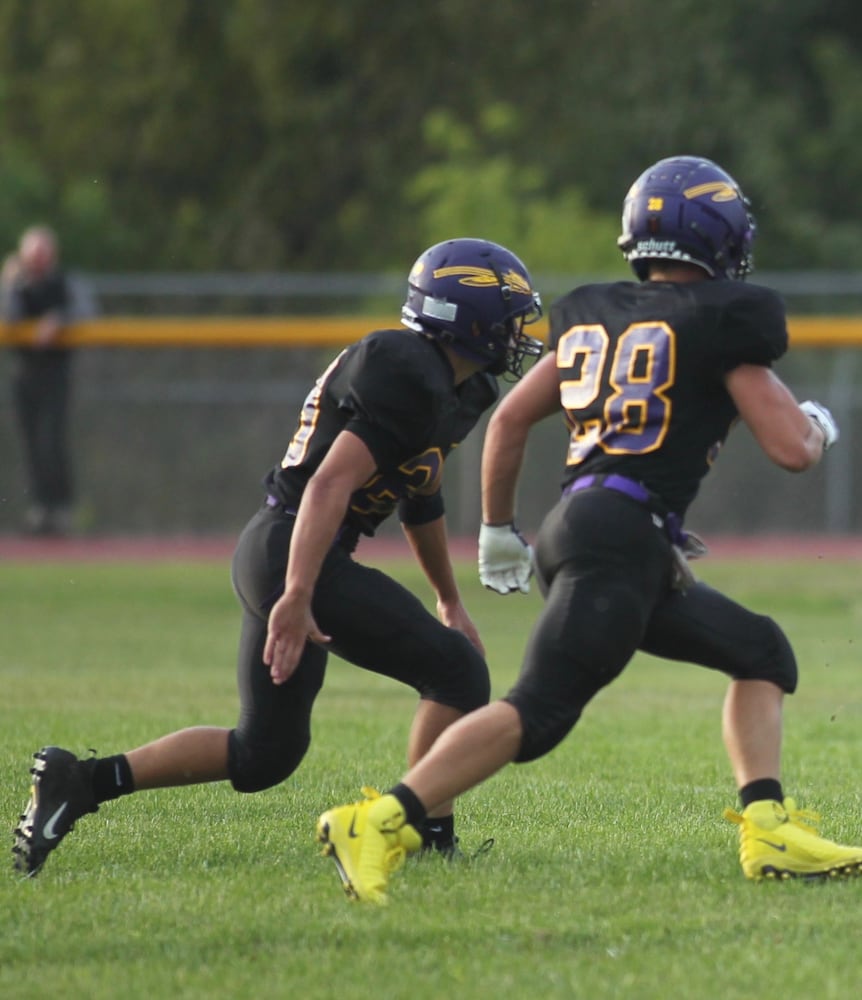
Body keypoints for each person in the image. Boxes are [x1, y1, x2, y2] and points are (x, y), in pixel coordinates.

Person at [311, 156, 862, 906]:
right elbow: (793, 450)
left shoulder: (592, 312)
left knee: (758, 649)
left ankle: (766, 826)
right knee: (536, 712)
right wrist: (820, 427)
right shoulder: (722, 319)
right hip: (618, 538)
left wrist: (500, 530)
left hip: (590, 527)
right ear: (720, 236)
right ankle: (381, 819)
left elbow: (509, 419)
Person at [11, 237, 539, 877]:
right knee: (457, 675)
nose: (518, 332)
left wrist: (449, 598)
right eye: (509, 317)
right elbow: (328, 485)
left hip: (284, 549)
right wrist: (295, 593)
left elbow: (419, 490)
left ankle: (80, 781)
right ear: (467, 314)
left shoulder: (459, 385)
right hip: (296, 547)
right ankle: (423, 839)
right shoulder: (408, 368)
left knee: (264, 754)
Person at [2, 225, 93, 535]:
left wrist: (58, 318)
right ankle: (39, 510)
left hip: (55, 374)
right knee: (30, 444)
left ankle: (61, 508)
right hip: (24, 373)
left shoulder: (66, 282)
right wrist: (9, 283)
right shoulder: (17, 284)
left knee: (51, 440)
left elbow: (87, 312)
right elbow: (8, 316)